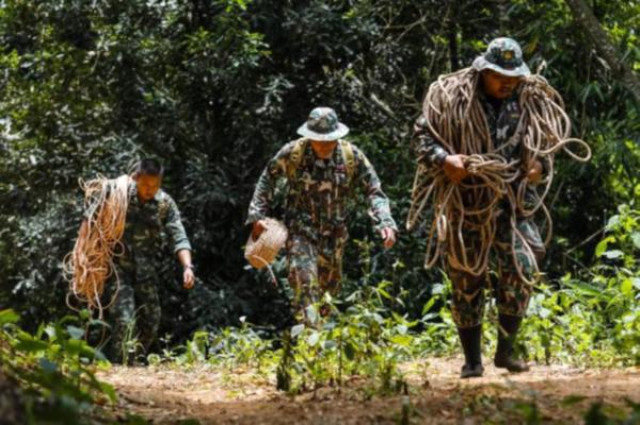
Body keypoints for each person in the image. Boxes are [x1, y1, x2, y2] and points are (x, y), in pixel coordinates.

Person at [412, 38, 548, 378]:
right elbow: (420, 136)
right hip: (468, 202)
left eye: (513, 76)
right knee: (466, 275)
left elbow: (543, 142)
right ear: (483, 71)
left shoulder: (529, 98)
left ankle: (505, 353)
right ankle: (473, 360)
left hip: (513, 202)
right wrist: (445, 160)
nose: (507, 82)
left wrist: (539, 165)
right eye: (500, 75)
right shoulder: (454, 96)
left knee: (524, 264)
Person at [247, 107, 398, 319]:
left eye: (329, 139)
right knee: (305, 285)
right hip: (300, 233)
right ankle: (309, 341)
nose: (324, 144)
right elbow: (266, 179)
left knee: (329, 296)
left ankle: (321, 343)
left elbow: (374, 190)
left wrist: (385, 222)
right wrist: (257, 216)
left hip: (335, 236)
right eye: (319, 139)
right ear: (309, 135)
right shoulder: (293, 153)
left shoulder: (350, 156)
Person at [81, 158, 195, 362]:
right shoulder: (117, 194)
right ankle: (121, 367)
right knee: (124, 321)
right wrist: (84, 253)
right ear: (136, 178)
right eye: (145, 185)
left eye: (155, 186)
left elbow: (179, 236)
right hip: (117, 270)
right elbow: (89, 219)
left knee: (152, 319)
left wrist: (187, 266)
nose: (149, 190)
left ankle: (135, 362)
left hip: (146, 272)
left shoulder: (164, 204)